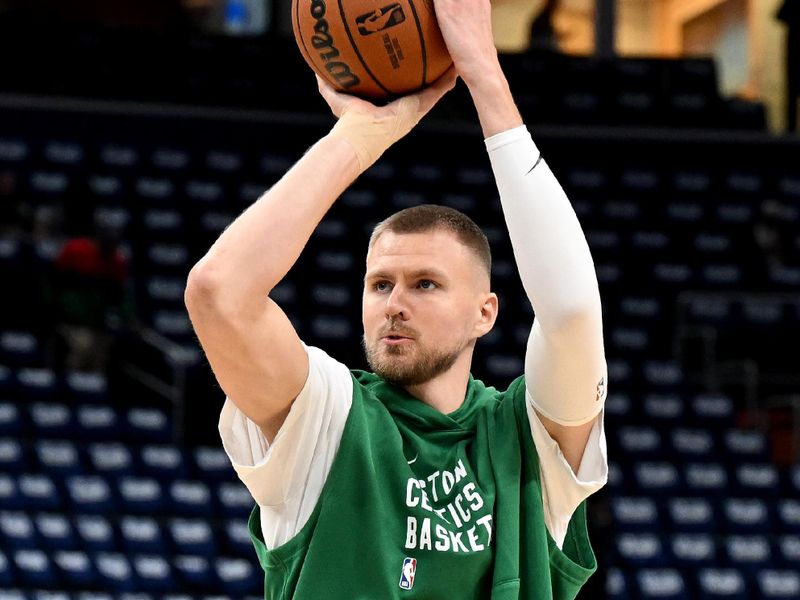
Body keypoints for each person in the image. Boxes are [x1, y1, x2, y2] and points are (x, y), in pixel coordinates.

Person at [185, 0, 608, 595]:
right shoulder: (326, 421)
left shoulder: (526, 438)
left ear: (486, 312)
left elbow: (571, 312)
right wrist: (359, 136)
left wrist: (484, 73)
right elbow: (218, 294)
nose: (394, 303)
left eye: (425, 284)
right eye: (379, 284)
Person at [777, 0, 799, 133]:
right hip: (793, 55)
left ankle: (790, 130)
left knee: (791, 97)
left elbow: (780, 16)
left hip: (793, 55)